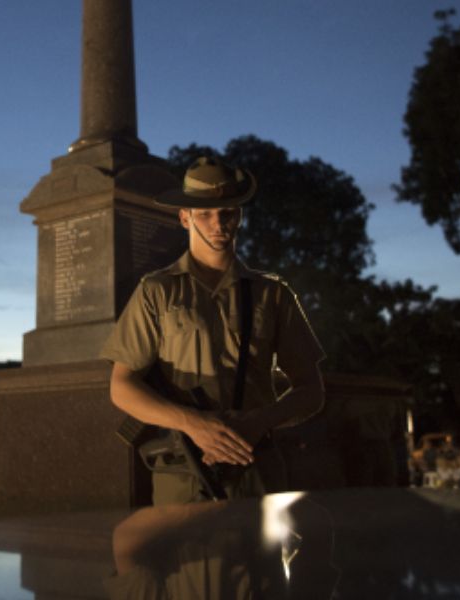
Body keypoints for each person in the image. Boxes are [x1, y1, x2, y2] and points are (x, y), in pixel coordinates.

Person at [102, 156, 326, 505]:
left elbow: (311, 390)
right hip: (185, 474)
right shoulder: (157, 291)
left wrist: (259, 421)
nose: (218, 223)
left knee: (262, 559)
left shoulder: (272, 293)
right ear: (184, 217)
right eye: (204, 213)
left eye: (228, 212)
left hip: (257, 467)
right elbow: (122, 386)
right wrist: (193, 424)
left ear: (239, 216)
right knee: (186, 559)